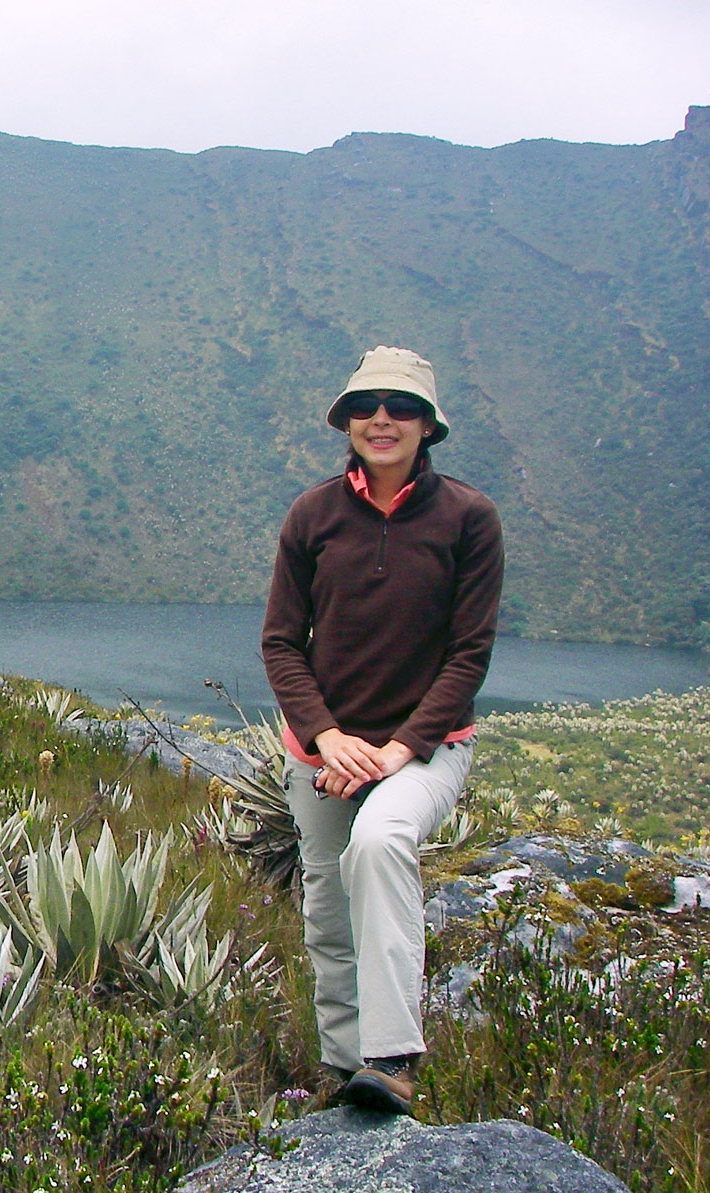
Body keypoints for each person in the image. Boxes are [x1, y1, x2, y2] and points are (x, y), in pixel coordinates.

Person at [261, 346, 503, 1115]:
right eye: (367, 406)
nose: (382, 419)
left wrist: (397, 752)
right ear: (348, 422)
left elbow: (469, 654)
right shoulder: (314, 515)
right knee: (328, 905)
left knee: (381, 842)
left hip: (424, 750)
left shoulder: (469, 518)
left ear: (428, 425)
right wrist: (328, 737)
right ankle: (347, 1074)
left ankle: (393, 1056)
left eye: (401, 406)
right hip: (325, 753)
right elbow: (279, 642)